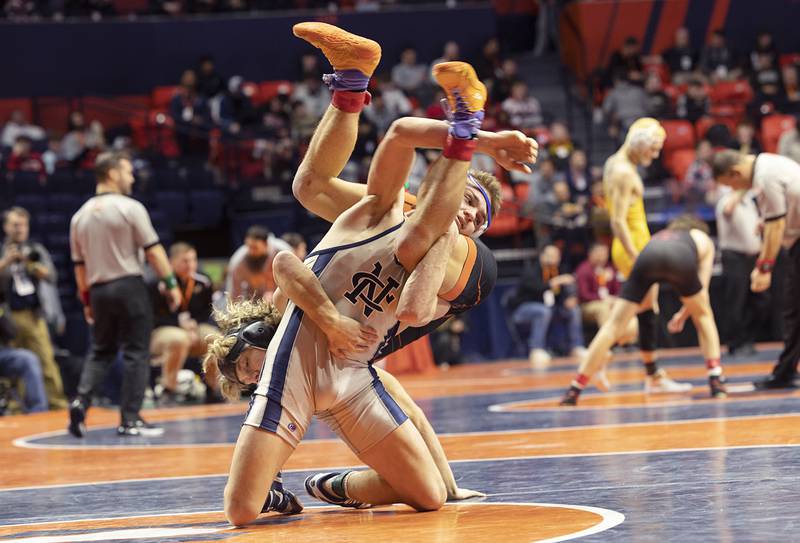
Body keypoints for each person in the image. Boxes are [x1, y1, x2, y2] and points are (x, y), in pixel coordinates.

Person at [207, 22, 534, 527]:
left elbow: (415, 310)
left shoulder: (451, 240)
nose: (470, 216)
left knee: (422, 234)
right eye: (467, 201)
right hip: (352, 358)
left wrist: (478, 141)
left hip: (373, 348)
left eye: (480, 216)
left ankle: (457, 123)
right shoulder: (391, 208)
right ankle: (355, 80)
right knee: (313, 187)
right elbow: (401, 135)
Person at [68, 151, 182, 437]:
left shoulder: (79, 217)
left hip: (98, 290)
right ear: (111, 173)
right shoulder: (130, 207)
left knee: (100, 351)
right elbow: (154, 251)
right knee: (136, 351)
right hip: (129, 285)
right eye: (128, 171)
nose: (131, 177)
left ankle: (81, 400)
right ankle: (130, 419)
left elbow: (79, 267)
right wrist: (170, 284)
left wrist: (86, 301)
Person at [561, 216, 725, 405]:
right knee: (704, 315)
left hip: (647, 256)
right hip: (679, 258)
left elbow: (646, 305)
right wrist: (683, 314)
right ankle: (716, 379)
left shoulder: (662, 235)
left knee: (613, 325)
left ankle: (575, 388)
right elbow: (702, 290)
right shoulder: (702, 238)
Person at [603, 118, 691, 392]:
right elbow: (617, 221)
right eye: (652, 150)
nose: (654, 157)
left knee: (644, 310)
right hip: (632, 246)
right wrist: (637, 255)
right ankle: (602, 361)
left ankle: (650, 373)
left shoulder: (617, 164)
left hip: (636, 243)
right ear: (639, 144)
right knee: (631, 314)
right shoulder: (623, 172)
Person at [712, 150, 800, 389]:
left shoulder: (764, 177)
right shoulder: (769, 163)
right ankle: (784, 372)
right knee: (794, 311)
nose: (734, 189)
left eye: (731, 184)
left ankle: (784, 372)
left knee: (794, 310)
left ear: (736, 172)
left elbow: (776, 224)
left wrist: (764, 267)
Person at [0, 207, 66, 409]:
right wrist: (7, 262)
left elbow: (52, 277)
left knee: (46, 359)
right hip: (9, 317)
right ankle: (19, 407)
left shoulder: (36, 250)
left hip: (35, 314)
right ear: (5, 227)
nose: (20, 229)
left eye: (24, 225)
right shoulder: (2, 251)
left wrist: (32, 265)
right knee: (19, 365)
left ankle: (56, 404)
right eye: (15, 225)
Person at [149, 241, 217, 403]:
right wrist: (180, 326)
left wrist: (193, 325)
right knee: (179, 339)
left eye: (193, 260)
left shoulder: (203, 281)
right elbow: (152, 317)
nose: (190, 265)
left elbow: (207, 311)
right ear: (171, 262)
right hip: (161, 330)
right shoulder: (156, 283)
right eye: (185, 261)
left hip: (193, 327)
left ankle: (214, 388)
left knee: (215, 339)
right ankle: (169, 390)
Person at [508, 245, 585, 368]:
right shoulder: (531, 269)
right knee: (543, 311)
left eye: (556, 256)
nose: (553, 258)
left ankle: (576, 346)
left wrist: (569, 298)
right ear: (542, 256)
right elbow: (536, 288)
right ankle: (536, 349)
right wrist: (555, 282)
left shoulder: (559, 270)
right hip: (524, 309)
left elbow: (565, 290)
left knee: (573, 310)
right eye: (549, 255)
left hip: (552, 309)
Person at [715, 189, 767, 356]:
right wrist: (741, 189)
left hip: (754, 258)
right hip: (734, 257)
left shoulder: (750, 203)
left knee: (761, 301)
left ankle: (748, 338)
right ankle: (735, 343)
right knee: (735, 302)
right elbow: (728, 210)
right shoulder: (727, 200)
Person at [225, 225, 292, 303]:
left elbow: (293, 280)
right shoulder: (238, 261)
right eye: (249, 247)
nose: (251, 252)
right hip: (254, 301)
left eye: (255, 247)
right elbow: (234, 294)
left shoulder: (283, 251)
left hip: (284, 297)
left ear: (266, 244)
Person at [575, 243, 623, 330]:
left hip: (609, 301)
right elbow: (584, 295)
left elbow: (618, 290)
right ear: (590, 254)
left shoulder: (610, 268)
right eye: (598, 254)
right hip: (588, 304)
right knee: (603, 308)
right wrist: (603, 299)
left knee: (624, 306)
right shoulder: (584, 269)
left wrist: (613, 279)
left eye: (604, 254)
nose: (601, 258)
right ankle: (608, 340)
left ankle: (627, 340)